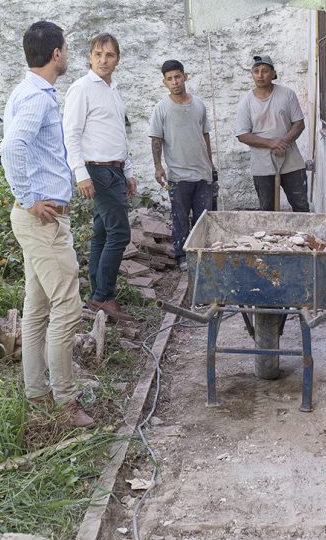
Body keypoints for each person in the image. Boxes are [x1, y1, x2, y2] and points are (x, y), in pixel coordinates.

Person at [0, 20, 94, 428]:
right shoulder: (37, 98)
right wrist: (27, 198)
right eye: (67, 49)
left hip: (38, 220)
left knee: (36, 309)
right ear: (57, 54)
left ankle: (38, 395)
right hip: (44, 221)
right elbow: (13, 147)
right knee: (67, 309)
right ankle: (64, 403)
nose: (68, 55)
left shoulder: (27, 91)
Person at [63, 33, 136, 323]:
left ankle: (96, 296)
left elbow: (120, 133)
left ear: (118, 59)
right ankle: (104, 296)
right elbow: (70, 133)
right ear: (90, 57)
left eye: (109, 55)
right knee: (120, 233)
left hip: (115, 169)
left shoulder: (114, 90)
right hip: (96, 169)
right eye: (97, 54)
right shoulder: (82, 88)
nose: (103, 60)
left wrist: (128, 171)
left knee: (103, 233)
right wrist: (80, 173)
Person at [148, 59, 214, 269]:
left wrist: (211, 167)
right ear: (164, 82)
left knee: (203, 219)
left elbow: (205, 137)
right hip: (178, 175)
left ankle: (201, 255)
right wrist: (158, 167)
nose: (175, 82)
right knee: (180, 218)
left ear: (185, 76)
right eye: (170, 79)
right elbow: (156, 139)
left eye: (177, 77)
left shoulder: (199, 105)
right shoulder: (161, 108)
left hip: (202, 174)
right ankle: (182, 257)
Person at [235, 54, 310, 212]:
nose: (260, 75)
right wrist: (270, 143)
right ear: (252, 74)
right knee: (267, 210)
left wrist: (282, 142)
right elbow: (242, 135)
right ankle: (271, 237)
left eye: (265, 71)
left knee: (301, 206)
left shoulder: (287, 94)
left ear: (273, 73)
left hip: (291, 162)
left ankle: (303, 237)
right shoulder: (246, 103)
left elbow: (299, 123)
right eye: (256, 71)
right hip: (262, 165)